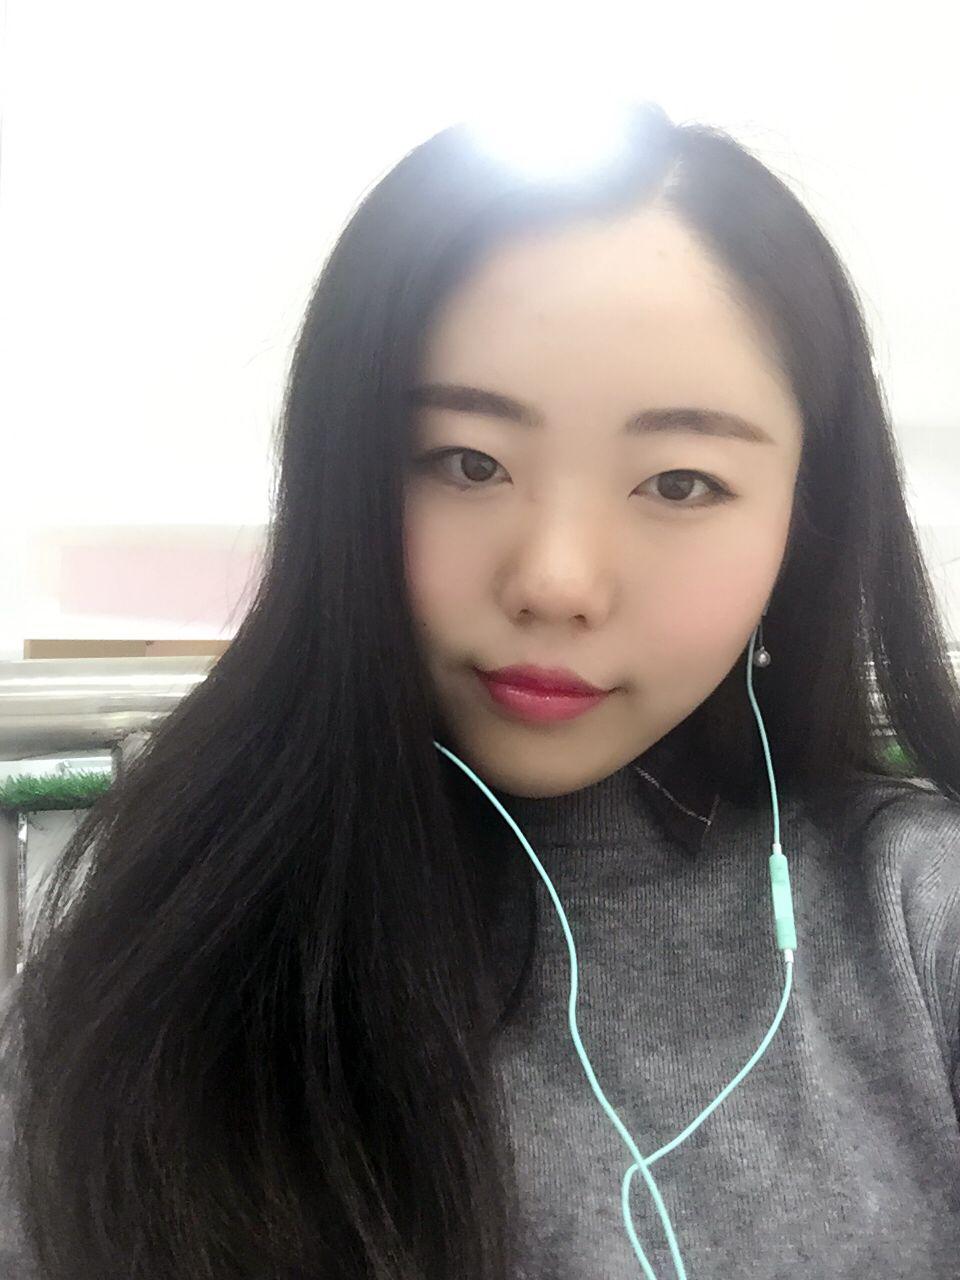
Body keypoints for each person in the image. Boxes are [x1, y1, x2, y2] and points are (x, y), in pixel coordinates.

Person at [1, 98, 959, 1280]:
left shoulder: (918, 915)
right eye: (467, 462)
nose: (554, 580)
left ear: (805, 520)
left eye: (679, 481)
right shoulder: (165, 931)